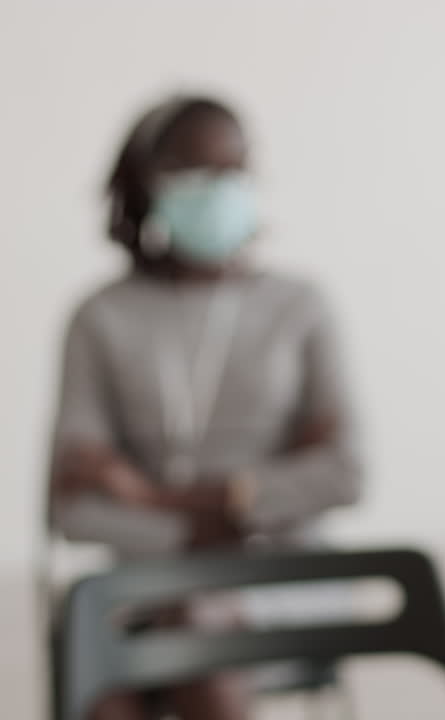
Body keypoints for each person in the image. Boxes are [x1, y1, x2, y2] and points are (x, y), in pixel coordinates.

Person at [48, 96, 362, 720]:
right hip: (143, 582)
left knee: (197, 626)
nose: (219, 190)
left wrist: (143, 493)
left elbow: (345, 472)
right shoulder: (101, 318)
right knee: (103, 670)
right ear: (148, 183)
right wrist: (243, 504)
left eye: (234, 171)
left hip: (283, 579)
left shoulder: (300, 307)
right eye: (196, 173)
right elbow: (75, 504)